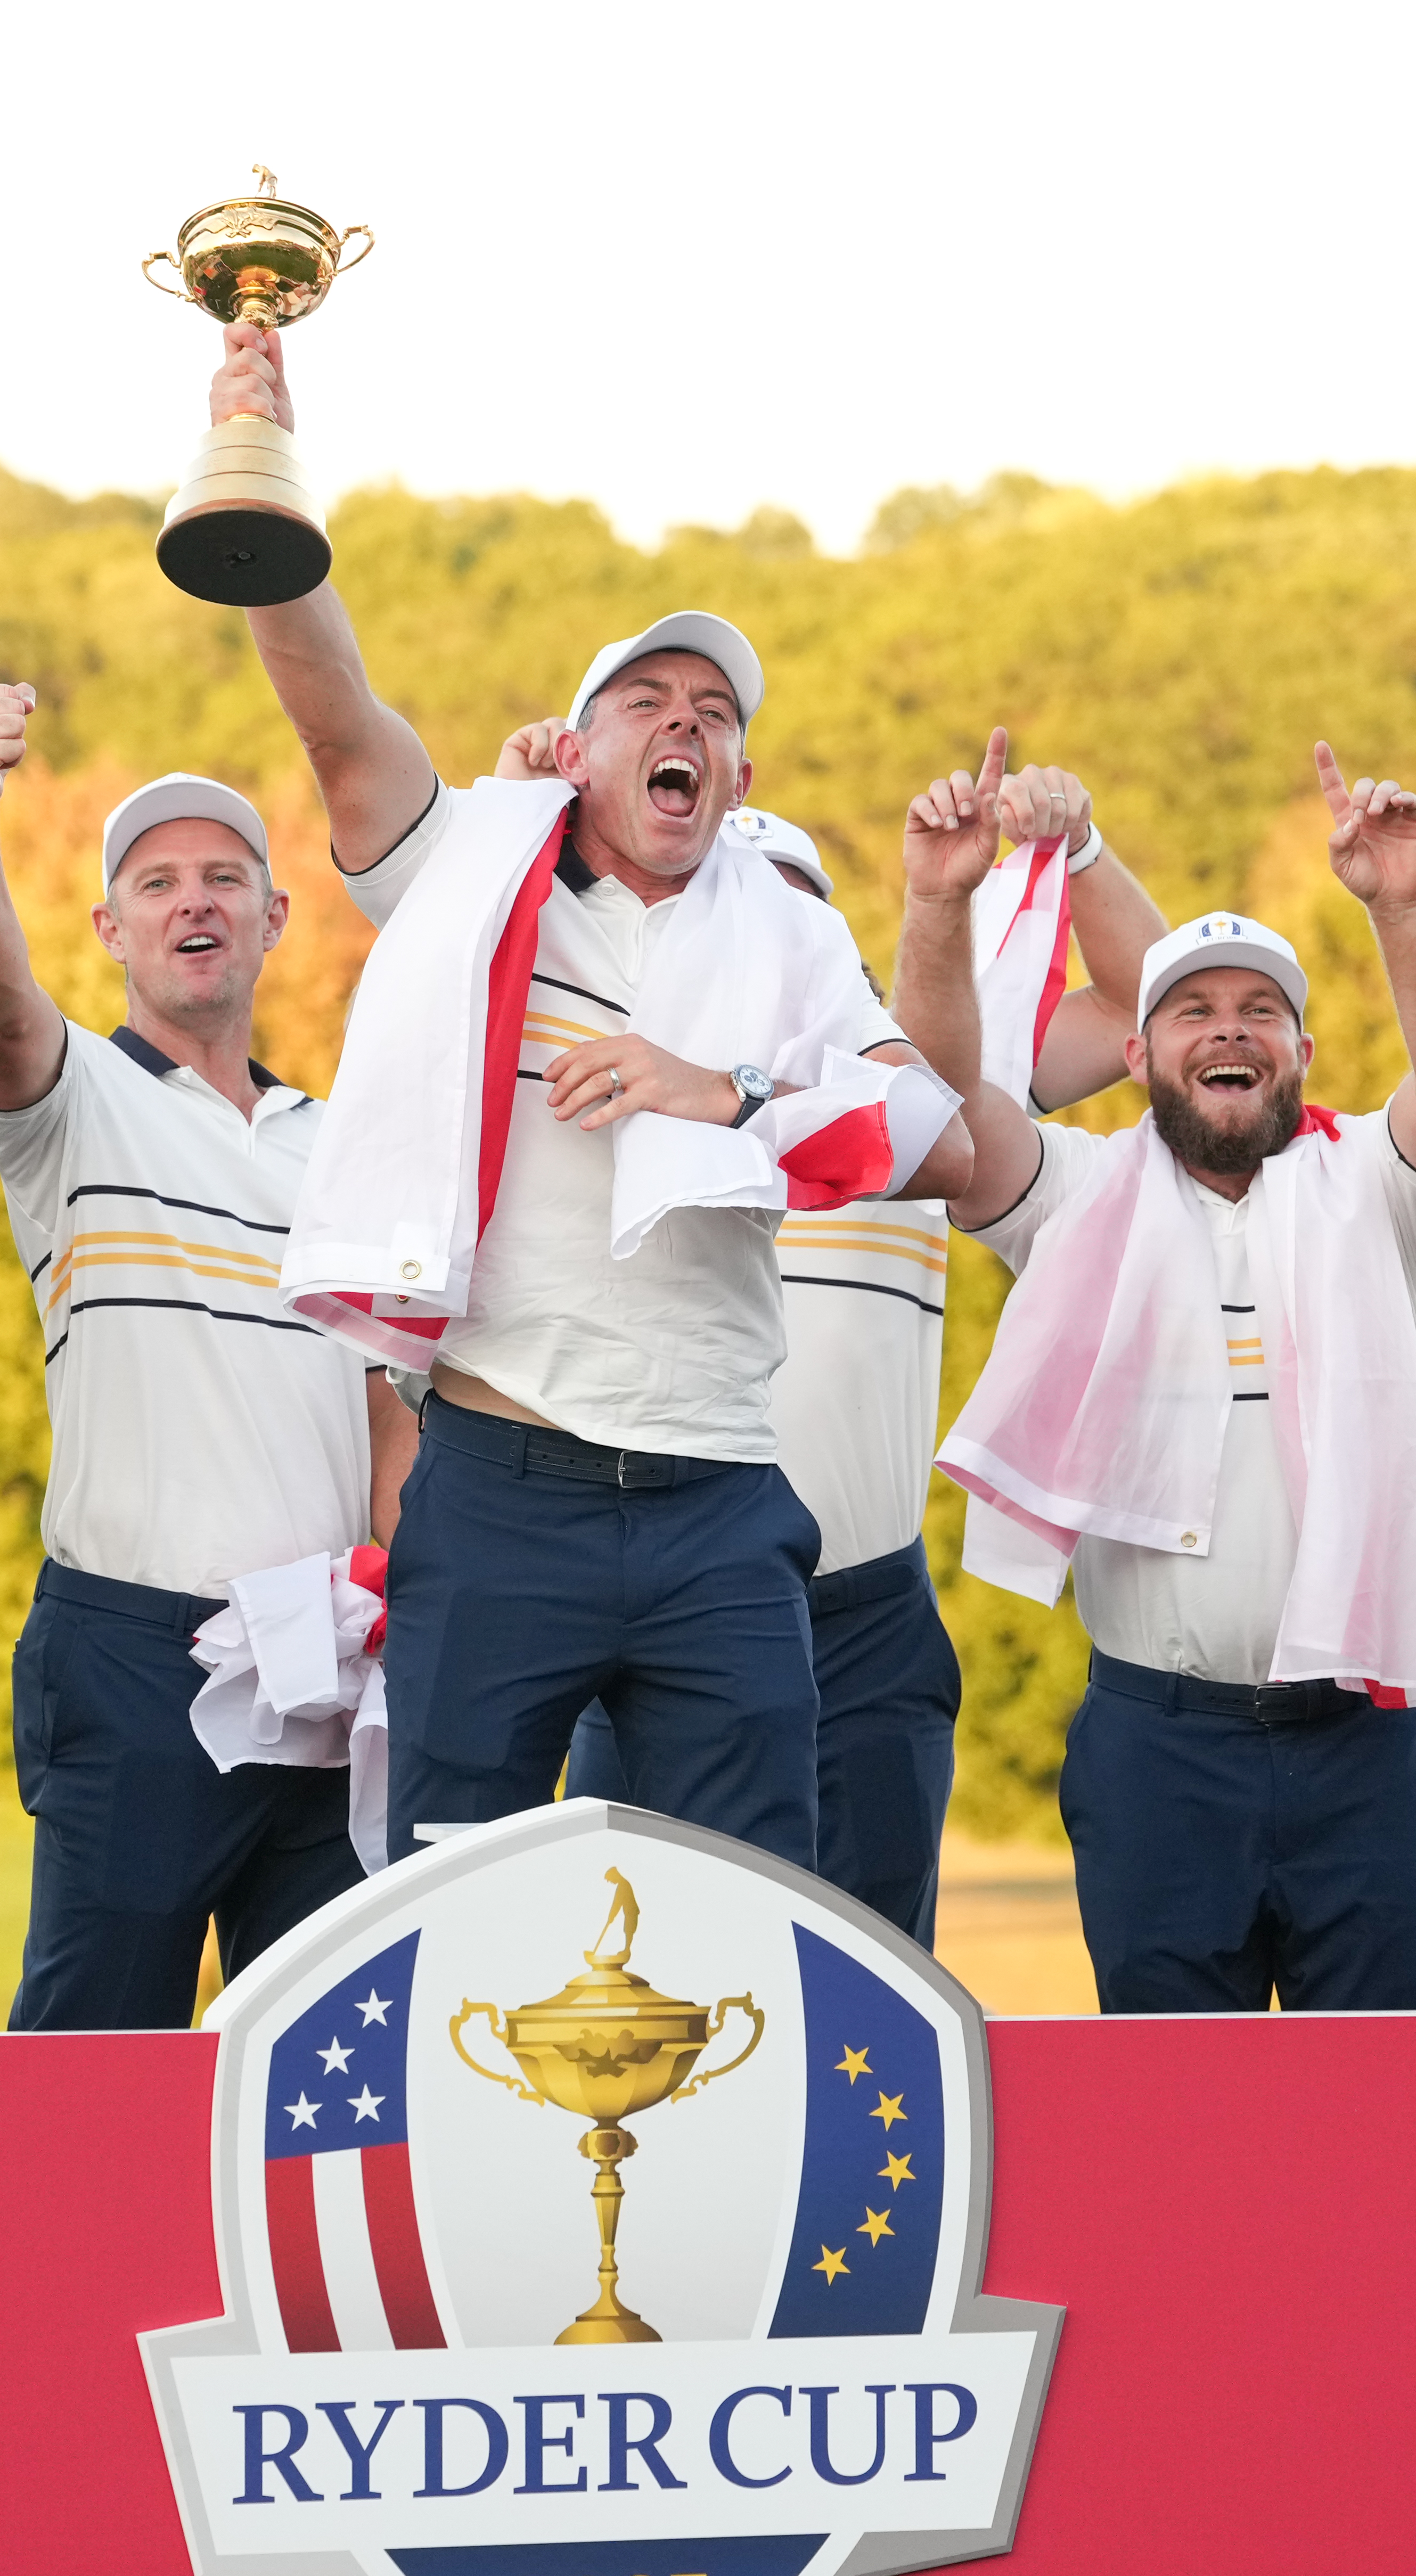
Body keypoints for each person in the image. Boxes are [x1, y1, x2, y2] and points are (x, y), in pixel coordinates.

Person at [210, 325, 972, 1867]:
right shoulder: (481, 880)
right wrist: (259, 481)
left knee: (747, 1918)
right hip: (502, 1485)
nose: (685, 722)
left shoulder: (794, 931)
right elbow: (332, 711)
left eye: (715, 711)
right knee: (447, 1899)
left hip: (718, 1502)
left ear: (741, 781)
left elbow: (924, 1131)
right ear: (579, 750)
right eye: (647, 700)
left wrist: (723, 1091)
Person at [916, 744, 1416, 2013]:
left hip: (1365, 1746)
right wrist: (940, 904)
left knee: (1380, 2120)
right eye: (1192, 1009)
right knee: (1170, 2130)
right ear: (1138, 1053)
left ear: (1299, 1050)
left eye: (1257, 1010)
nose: (1227, 1029)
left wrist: (1401, 906)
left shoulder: (1371, 1191)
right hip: (1157, 1749)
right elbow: (947, 1105)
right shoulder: (1071, 1197)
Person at [542, 761, 1166, 1940]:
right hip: (656, 1593)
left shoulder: (923, 1087)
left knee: (872, 1994)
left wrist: (1078, 854)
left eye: (790, 911)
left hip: (864, 1615)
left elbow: (1152, 1020)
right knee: (650, 1968)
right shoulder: (615, 1090)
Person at [0, 686, 413, 2027]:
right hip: (138, 1651)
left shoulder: (340, 1144)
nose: (190, 901)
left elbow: (388, 1412)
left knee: (317, 2071)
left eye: (222, 878)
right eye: (154, 883)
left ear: (273, 919)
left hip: (328, 1644)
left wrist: (403, 1606)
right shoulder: (71, 1098)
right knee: (92, 2056)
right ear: (109, 930)